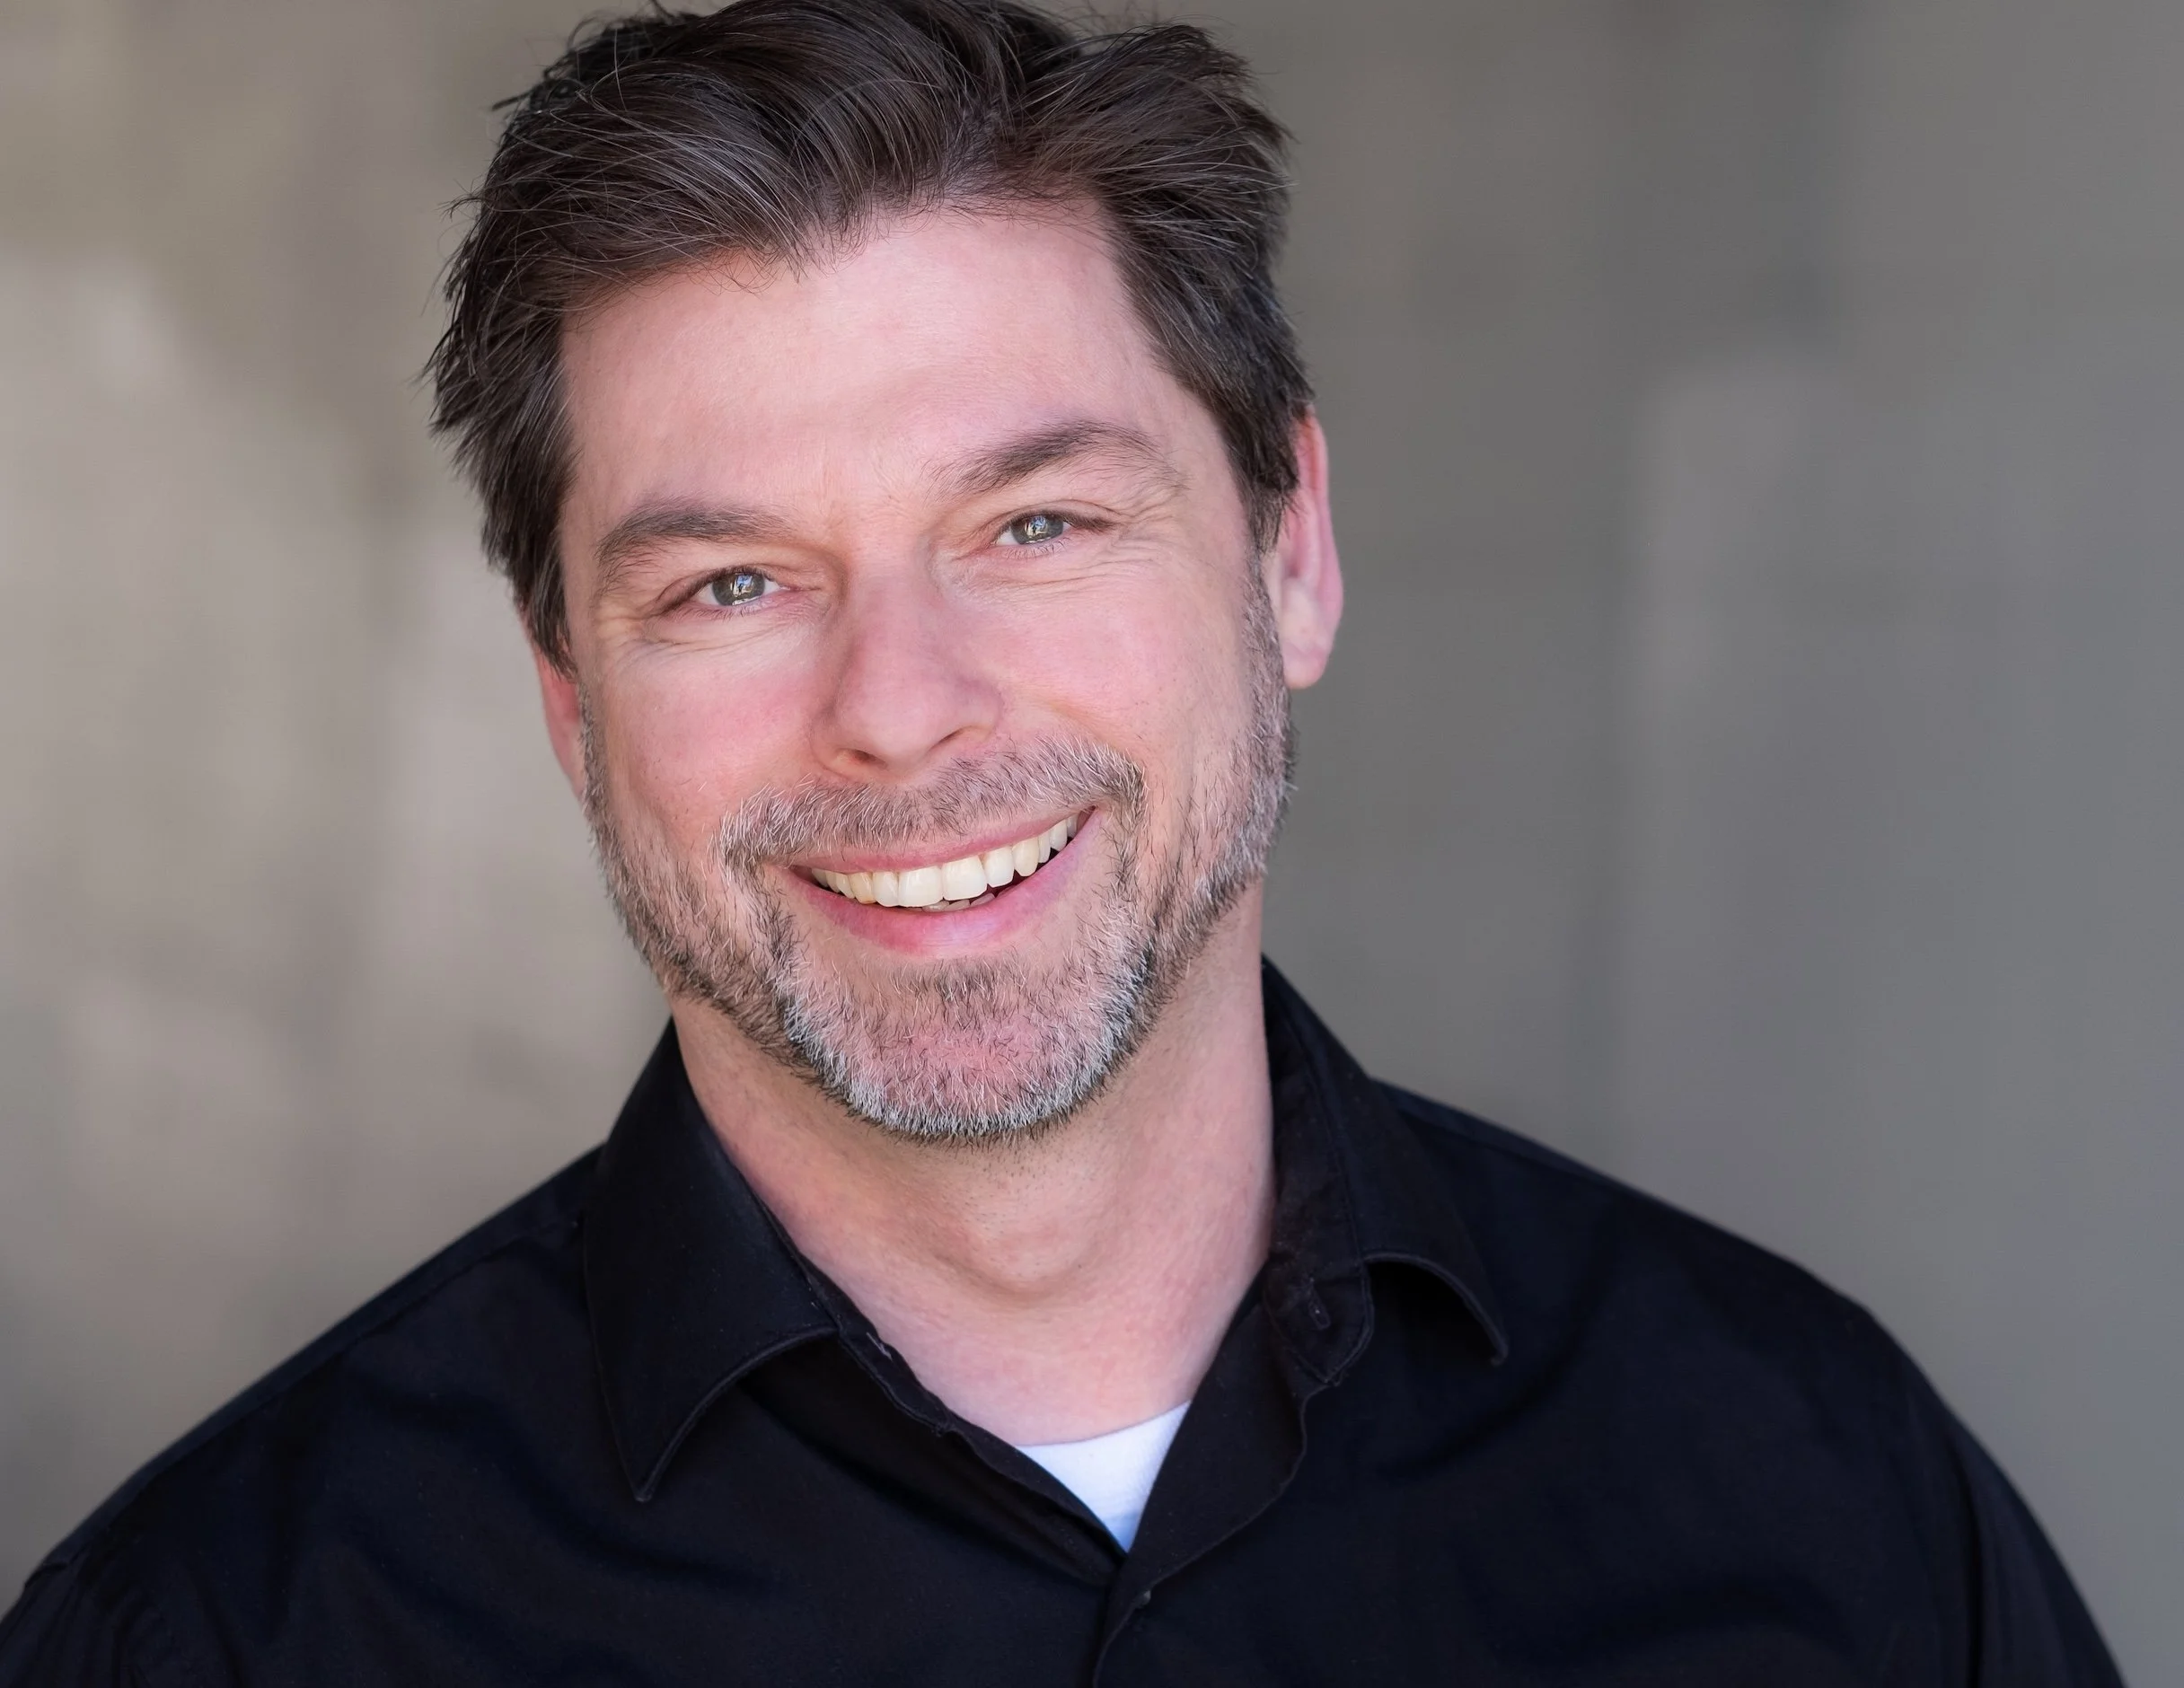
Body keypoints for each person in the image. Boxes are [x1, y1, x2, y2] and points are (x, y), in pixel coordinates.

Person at [0, 1, 2122, 1682]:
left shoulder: (1814, 1493)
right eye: (729, 582)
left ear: (1289, 554)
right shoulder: (220, 1637)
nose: (901, 702)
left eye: (1034, 525)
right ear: (572, 704)